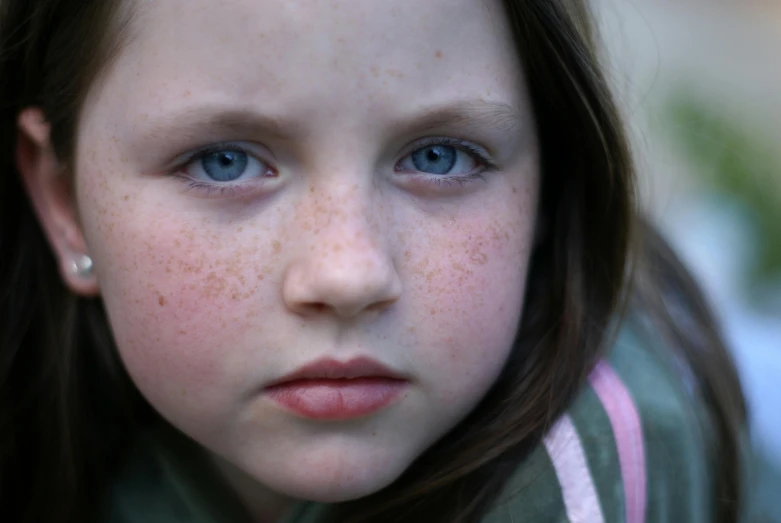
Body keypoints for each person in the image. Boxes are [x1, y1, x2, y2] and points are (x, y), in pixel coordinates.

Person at [0, 0, 752, 522]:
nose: (348, 273)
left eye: (439, 155)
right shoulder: (42, 410)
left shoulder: (585, 463)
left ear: (548, 187)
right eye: (224, 161)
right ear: (65, 202)